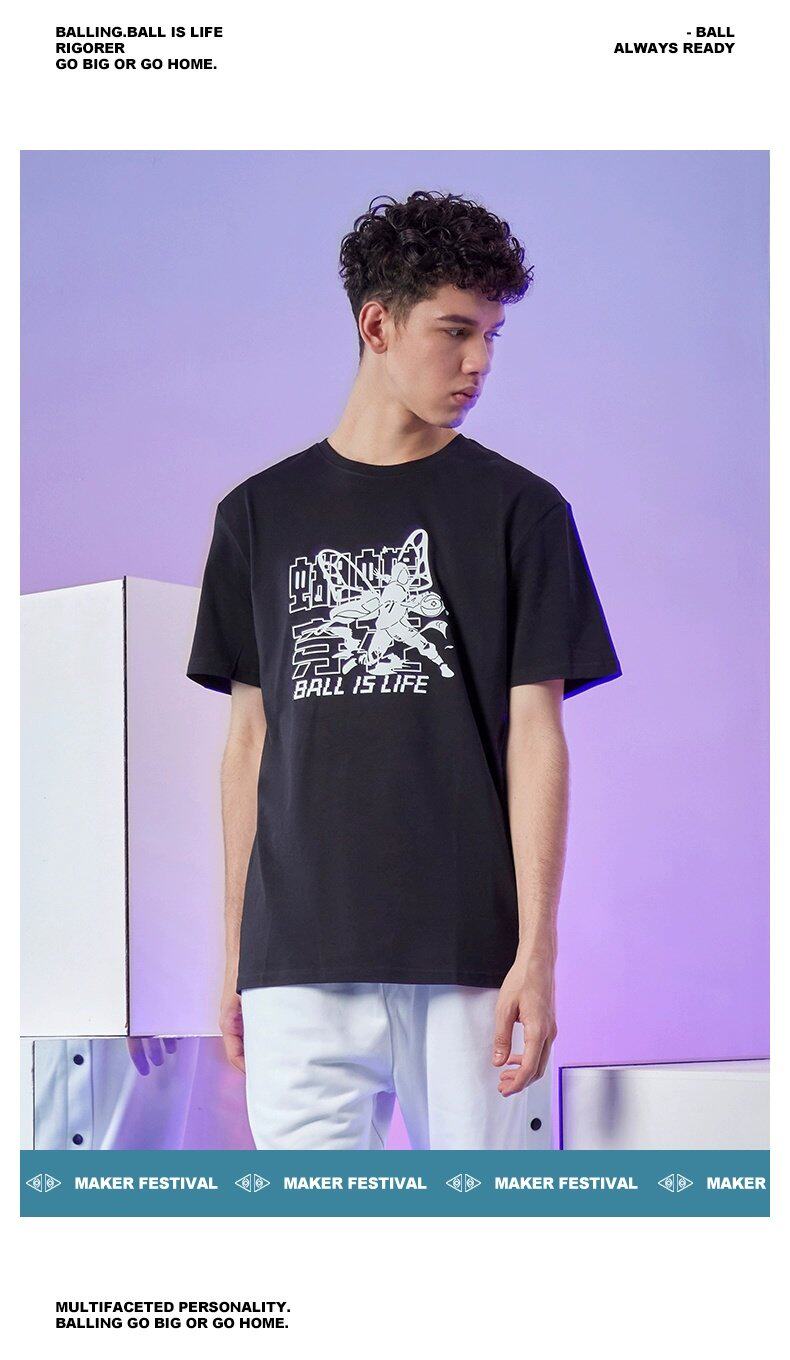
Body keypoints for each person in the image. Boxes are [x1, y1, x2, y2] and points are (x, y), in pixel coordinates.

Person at [187, 189, 622, 1150]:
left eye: (493, 336)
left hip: (467, 956)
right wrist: (236, 954)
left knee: (476, 1229)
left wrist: (537, 953)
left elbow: (537, 739)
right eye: (456, 331)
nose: (480, 363)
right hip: (297, 961)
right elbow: (249, 743)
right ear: (377, 325)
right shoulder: (256, 516)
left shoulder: (521, 512)